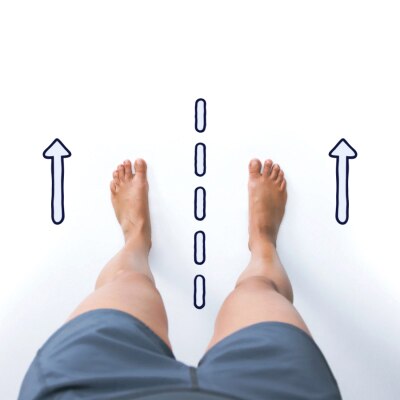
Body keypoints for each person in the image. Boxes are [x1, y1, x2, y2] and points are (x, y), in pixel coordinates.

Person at [19, 158, 341, 400]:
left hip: (91, 389)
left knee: (127, 280)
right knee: (259, 288)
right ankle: (263, 241)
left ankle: (136, 238)